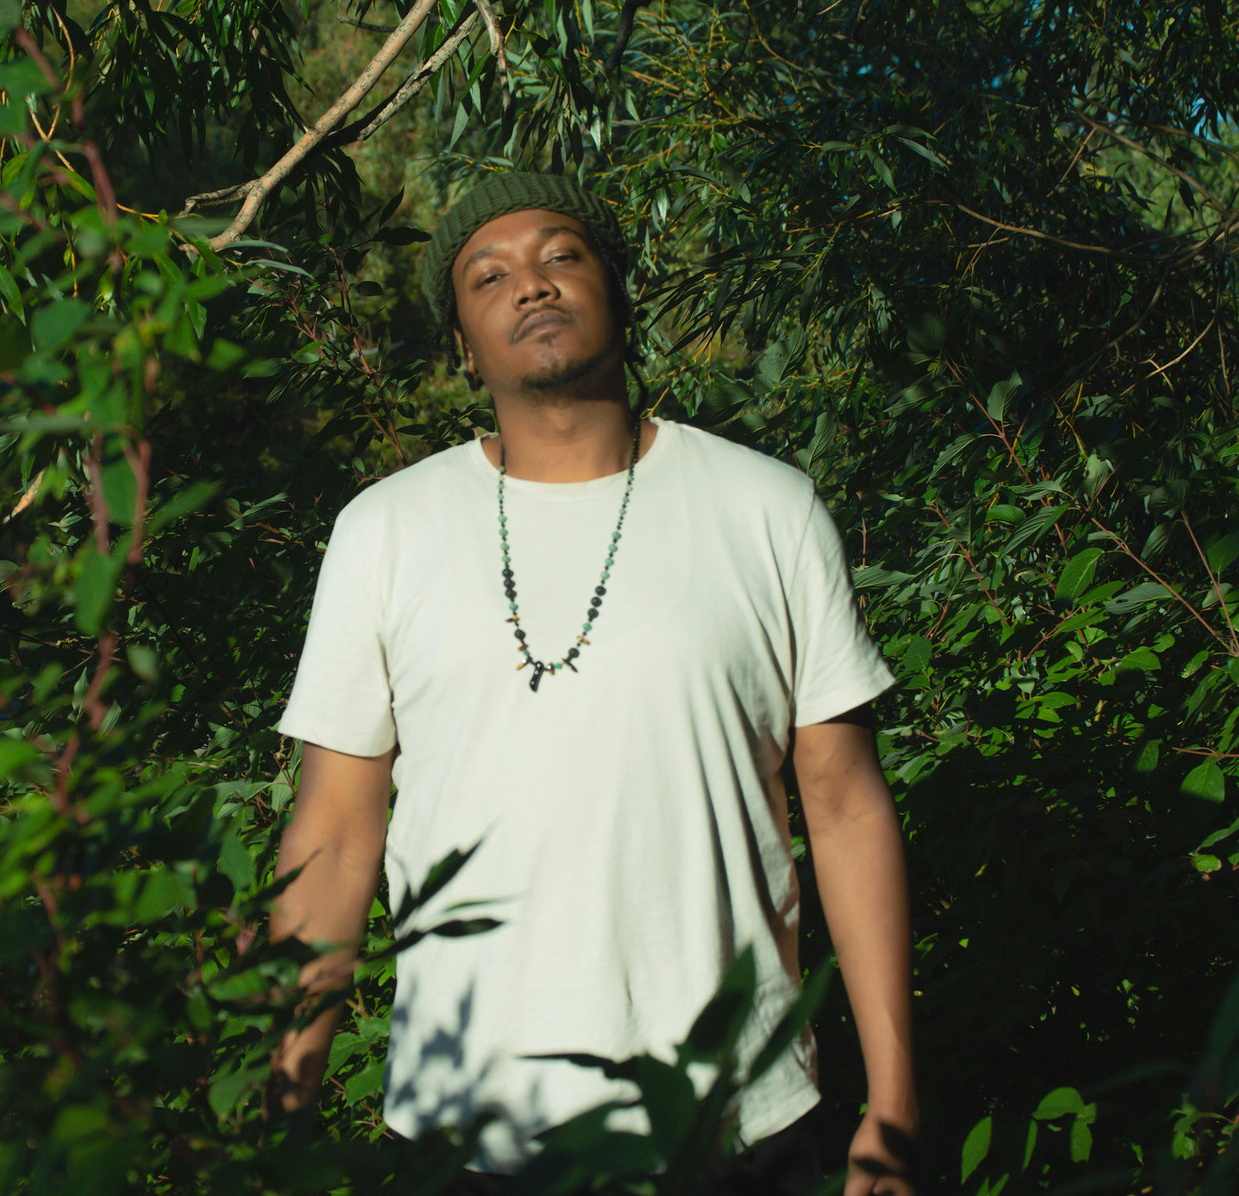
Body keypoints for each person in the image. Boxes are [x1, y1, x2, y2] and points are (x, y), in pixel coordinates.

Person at [268, 173, 918, 1195]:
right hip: (464, 1136)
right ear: (463, 347)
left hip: (738, 1125)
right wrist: (283, 1113)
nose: (530, 284)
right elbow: (337, 839)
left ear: (619, 293)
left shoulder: (767, 510)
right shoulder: (384, 533)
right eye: (489, 276)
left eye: (560, 255)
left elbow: (843, 807)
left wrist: (894, 1107)